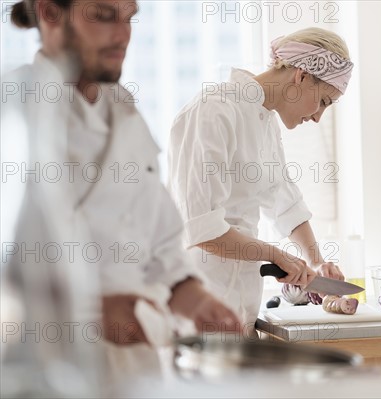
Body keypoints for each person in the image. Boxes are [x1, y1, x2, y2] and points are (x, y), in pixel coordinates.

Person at [2, 0, 240, 391]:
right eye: (105, 15)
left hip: (134, 373)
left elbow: (161, 246)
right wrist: (88, 315)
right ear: (49, 13)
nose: (123, 35)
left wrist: (195, 299)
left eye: (129, 18)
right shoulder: (13, 108)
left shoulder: (125, 112)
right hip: (44, 371)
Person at [168, 27, 354, 325]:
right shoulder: (213, 111)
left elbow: (284, 202)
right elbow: (201, 229)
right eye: (323, 101)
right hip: (193, 312)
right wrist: (273, 253)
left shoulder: (265, 123)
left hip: (240, 311)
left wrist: (315, 262)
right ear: (302, 76)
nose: (319, 117)